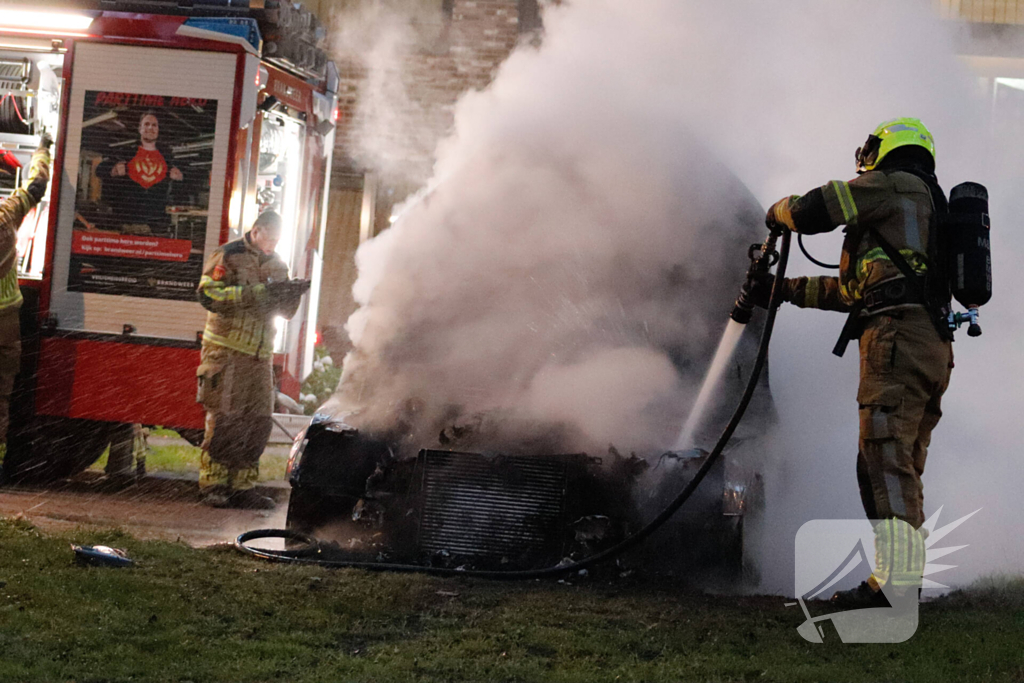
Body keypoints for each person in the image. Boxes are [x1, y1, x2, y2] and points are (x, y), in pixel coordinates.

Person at [750, 118, 952, 607]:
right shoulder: (921, 206)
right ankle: (899, 579)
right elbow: (853, 293)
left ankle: (897, 585)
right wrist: (784, 292)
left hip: (897, 340)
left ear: (884, 148)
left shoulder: (893, 183)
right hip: (926, 342)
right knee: (894, 464)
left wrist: (778, 212)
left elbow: (816, 208)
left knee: (884, 458)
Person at [195, 210, 310, 508]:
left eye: (277, 240)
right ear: (256, 231)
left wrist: (291, 293)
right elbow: (208, 294)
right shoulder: (228, 255)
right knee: (226, 420)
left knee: (258, 422)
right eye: (269, 238)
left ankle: (243, 487)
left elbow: (284, 312)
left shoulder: (277, 263)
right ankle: (214, 485)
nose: (272, 244)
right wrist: (255, 293)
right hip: (227, 354)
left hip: (260, 357)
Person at [0, 132, 50, 481]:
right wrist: (44, 149)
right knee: (2, 398)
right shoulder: (6, 217)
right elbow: (38, 184)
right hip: (6, 326)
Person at [96, 110, 184, 236]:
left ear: (158, 130)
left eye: (154, 125)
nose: (150, 128)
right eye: (146, 124)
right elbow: (99, 169)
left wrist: (179, 177)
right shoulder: (126, 151)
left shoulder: (167, 156)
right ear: (140, 129)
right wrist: (113, 170)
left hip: (156, 222)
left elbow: (185, 180)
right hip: (129, 222)